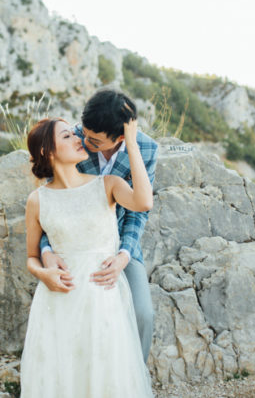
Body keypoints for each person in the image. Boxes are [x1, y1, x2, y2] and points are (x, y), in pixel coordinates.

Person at [20, 112, 154, 397]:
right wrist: (43, 272)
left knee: (105, 371)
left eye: (75, 133)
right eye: (67, 136)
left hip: (102, 294)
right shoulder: (37, 200)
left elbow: (143, 202)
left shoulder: (107, 185)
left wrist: (131, 143)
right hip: (59, 299)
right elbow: (31, 256)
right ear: (48, 151)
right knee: (64, 374)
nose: (78, 138)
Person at [40, 89, 158, 361]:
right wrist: (47, 251)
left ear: (119, 136)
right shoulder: (75, 138)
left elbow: (137, 213)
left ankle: (132, 378)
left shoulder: (147, 149)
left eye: (94, 140)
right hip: (74, 243)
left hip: (119, 244)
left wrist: (123, 256)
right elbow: (50, 202)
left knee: (143, 314)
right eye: (83, 132)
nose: (84, 140)